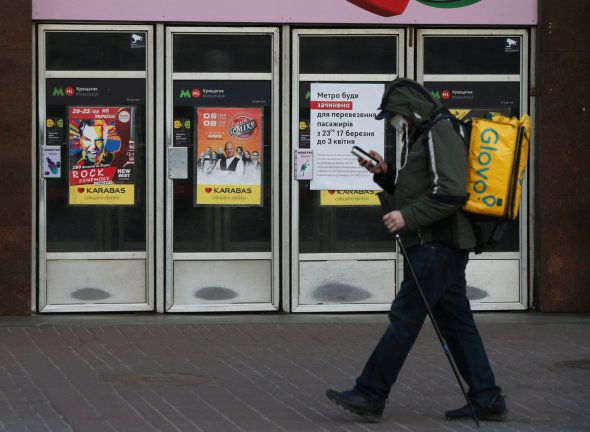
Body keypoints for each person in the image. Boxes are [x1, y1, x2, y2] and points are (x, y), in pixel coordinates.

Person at [325, 78, 506, 423]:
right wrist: (385, 174)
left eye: (394, 115)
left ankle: (370, 393)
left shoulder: (440, 131)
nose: (394, 122)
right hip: (437, 246)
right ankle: (487, 396)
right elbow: (422, 190)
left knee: (405, 318)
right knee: (456, 324)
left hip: (437, 246)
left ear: (409, 109)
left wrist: (406, 217)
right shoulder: (424, 135)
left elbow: (451, 193)